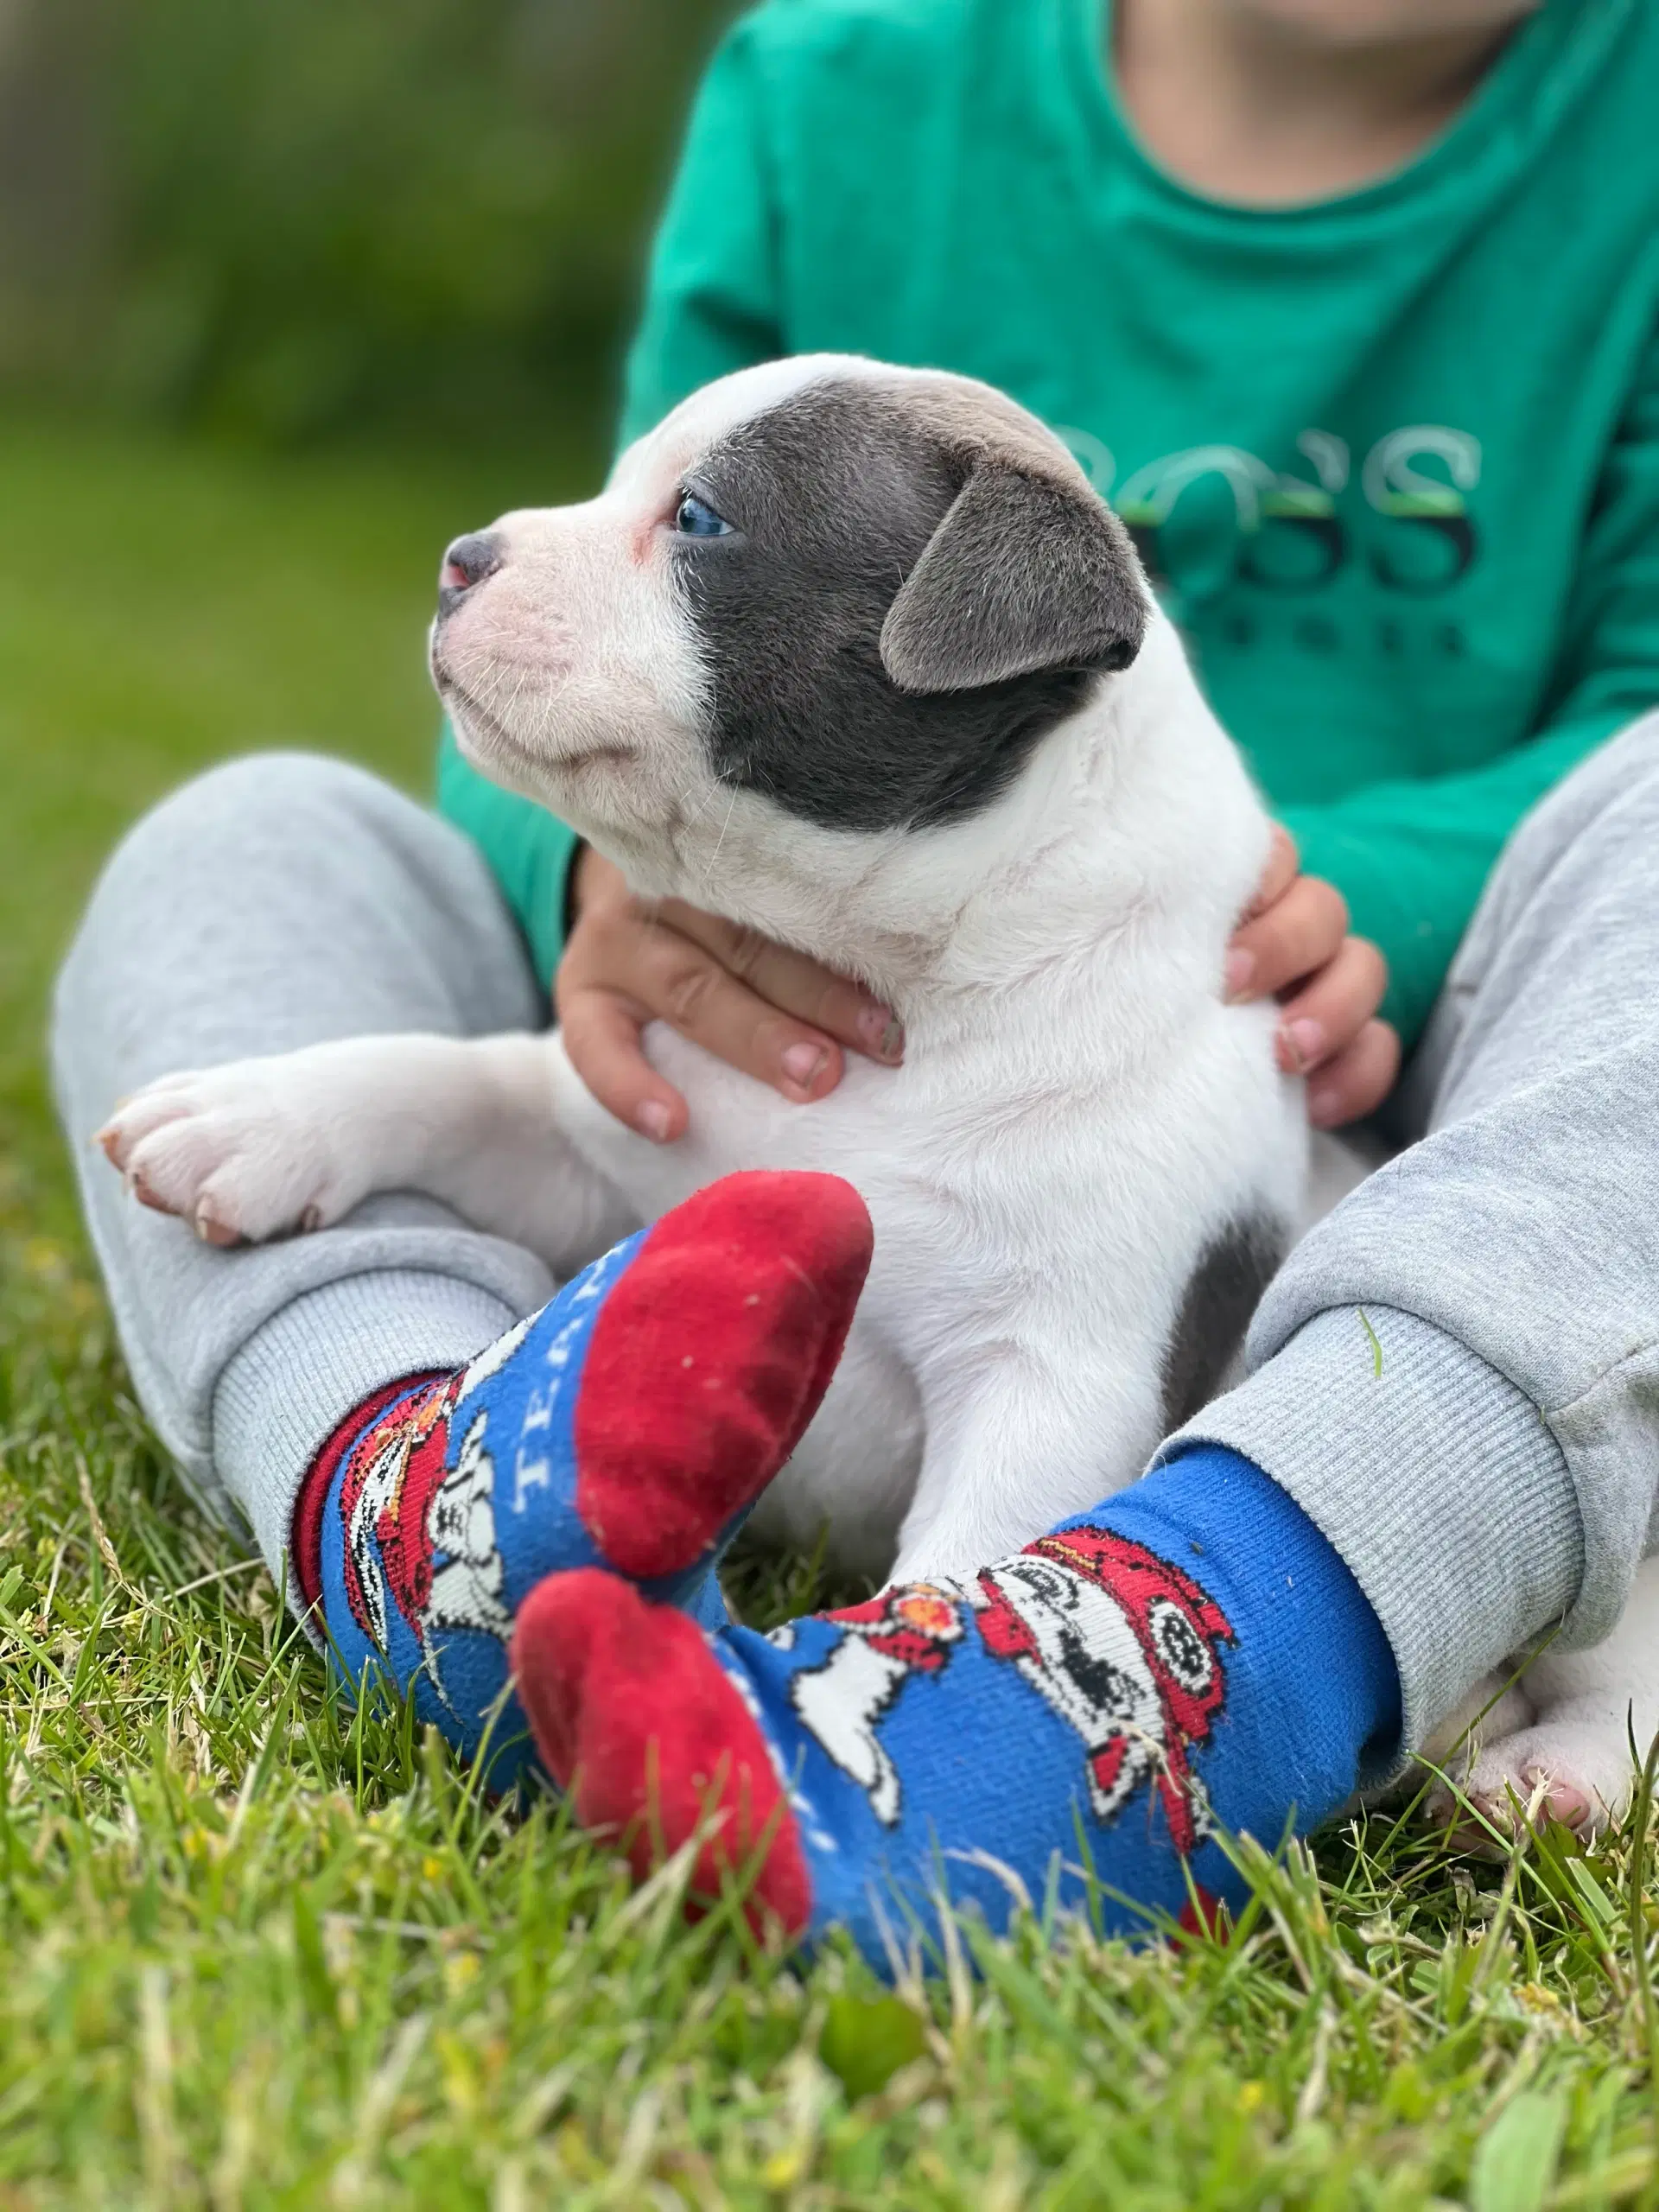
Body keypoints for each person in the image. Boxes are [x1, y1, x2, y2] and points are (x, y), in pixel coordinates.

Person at [53, 0, 1659, 1961]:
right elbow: (616, 648)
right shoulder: (838, 98)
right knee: (247, 840)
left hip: (1403, 1086)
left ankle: (1199, 1622)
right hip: (732, 951)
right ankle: (427, 1492)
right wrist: (595, 878)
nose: (491, 552)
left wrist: (1365, 898)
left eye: (687, 532)